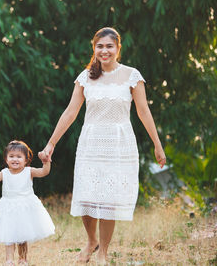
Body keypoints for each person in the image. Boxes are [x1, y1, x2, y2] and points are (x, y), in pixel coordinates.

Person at [39, 27, 166, 264]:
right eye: (100, 46)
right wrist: (51, 143)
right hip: (91, 142)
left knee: (108, 198)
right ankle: (90, 241)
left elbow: (143, 111)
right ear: (94, 48)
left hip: (119, 143)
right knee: (87, 195)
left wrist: (157, 145)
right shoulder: (86, 76)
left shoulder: (132, 75)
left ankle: (103, 252)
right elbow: (70, 112)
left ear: (118, 48)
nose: (104, 50)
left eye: (109, 46)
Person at [0, 140, 55, 266]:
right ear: (6, 159)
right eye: (11, 156)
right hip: (9, 207)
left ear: (26, 160)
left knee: (23, 235)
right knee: (9, 235)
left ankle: (23, 259)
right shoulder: (5, 173)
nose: (15, 159)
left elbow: (44, 172)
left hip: (25, 207)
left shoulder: (29, 171)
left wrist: (46, 162)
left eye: (19, 157)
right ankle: (9, 260)